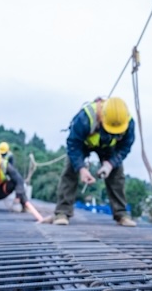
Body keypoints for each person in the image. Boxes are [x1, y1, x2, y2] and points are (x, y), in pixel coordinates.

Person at [53, 96, 137, 227]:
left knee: (117, 174)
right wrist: (81, 168)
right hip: (83, 144)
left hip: (108, 147)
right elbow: (73, 144)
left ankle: (121, 214)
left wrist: (110, 164)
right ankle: (62, 212)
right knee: (70, 170)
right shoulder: (84, 118)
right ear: (102, 117)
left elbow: (125, 147)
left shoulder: (128, 122)